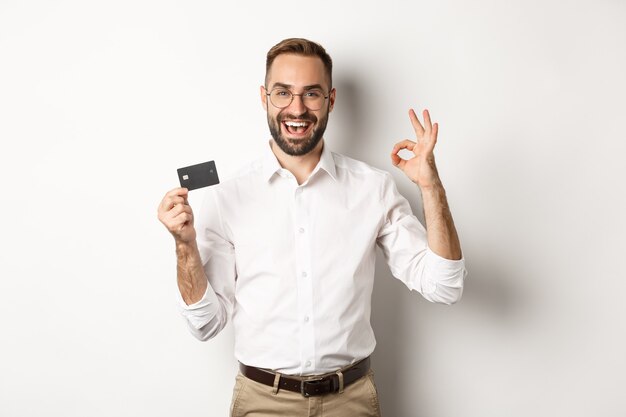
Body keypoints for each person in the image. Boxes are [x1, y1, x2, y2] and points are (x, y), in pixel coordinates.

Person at [157, 38, 466, 417]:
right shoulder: (228, 196)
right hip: (261, 403)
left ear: (331, 100)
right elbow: (205, 324)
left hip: (351, 402)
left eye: (312, 94)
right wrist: (184, 246)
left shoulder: (374, 188)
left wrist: (431, 188)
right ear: (264, 97)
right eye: (283, 93)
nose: (297, 108)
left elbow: (444, 286)